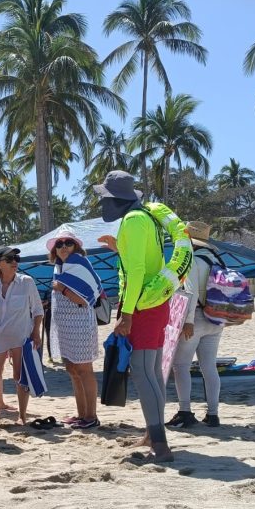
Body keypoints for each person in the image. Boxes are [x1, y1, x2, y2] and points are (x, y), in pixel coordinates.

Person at [95, 170, 173, 462]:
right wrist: (118, 247)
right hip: (154, 302)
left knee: (143, 374)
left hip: (142, 306)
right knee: (151, 373)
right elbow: (142, 262)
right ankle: (153, 436)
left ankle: (161, 446)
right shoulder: (145, 220)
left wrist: (126, 313)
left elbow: (137, 271)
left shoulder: (134, 221)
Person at [168, 221, 226, 428]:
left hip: (196, 319)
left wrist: (188, 321)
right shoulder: (217, 260)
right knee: (209, 367)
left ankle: (185, 411)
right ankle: (213, 414)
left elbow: (190, 293)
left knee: (181, 365)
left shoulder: (192, 260)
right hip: (216, 319)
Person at [0, 246, 44, 424]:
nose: (14, 262)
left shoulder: (27, 282)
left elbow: (38, 310)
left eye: (16, 259)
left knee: (20, 376)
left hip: (21, 336)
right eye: (9, 259)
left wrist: (36, 333)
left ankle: (22, 415)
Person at [48, 231, 101, 429]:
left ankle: (91, 417)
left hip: (80, 326)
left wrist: (61, 288)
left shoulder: (79, 264)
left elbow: (83, 300)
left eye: (68, 243)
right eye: (59, 244)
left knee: (84, 370)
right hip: (65, 327)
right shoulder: (60, 267)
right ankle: (82, 414)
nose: (63, 247)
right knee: (73, 370)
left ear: (76, 247)